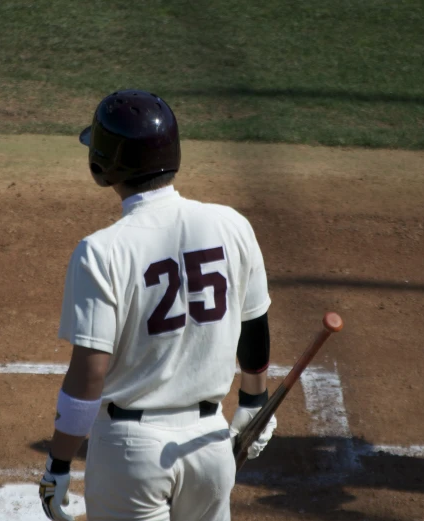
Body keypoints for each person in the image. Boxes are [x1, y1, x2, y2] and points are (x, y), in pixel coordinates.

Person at [38, 89, 277, 521]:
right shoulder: (231, 224)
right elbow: (254, 324)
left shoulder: (101, 251)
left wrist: (58, 463)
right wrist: (253, 404)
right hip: (209, 446)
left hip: (133, 457)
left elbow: (89, 374)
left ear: (103, 165)